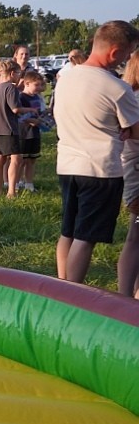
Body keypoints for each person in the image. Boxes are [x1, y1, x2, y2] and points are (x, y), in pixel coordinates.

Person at [53, 20, 139, 284]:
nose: (128, 59)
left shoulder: (66, 78)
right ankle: (72, 294)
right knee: (85, 237)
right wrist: (124, 130)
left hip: (67, 165)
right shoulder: (116, 88)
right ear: (115, 52)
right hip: (100, 170)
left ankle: (61, 286)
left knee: (68, 232)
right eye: (129, 52)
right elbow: (136, 132)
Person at [116, 53, 139, 298]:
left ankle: (129, 295)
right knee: (136, 236)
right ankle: (127, 296)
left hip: (131, 173)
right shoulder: (135, 99)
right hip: (136, 173)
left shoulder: (130, 97)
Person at [0, 59, 22, 198]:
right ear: (13, 73)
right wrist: (29, 110)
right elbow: (15, 109)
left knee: (0, 159)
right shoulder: (11, 88)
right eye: (19, 73)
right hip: (9, 129)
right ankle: (11, 192)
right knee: (16, 159)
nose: (20, 75)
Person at [16, 69, 47, 192]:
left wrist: (45, 115)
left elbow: (39, 112)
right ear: (26, 83)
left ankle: (29, 184)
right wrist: (31, 121)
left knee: (32, 159)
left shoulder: (38, 97)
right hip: (24, 132)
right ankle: (17, 183)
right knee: (21, 160)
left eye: (40, 84)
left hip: (35, 132)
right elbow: (18, 115)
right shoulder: (21, 97)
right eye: (36, 85)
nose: (39, 88)